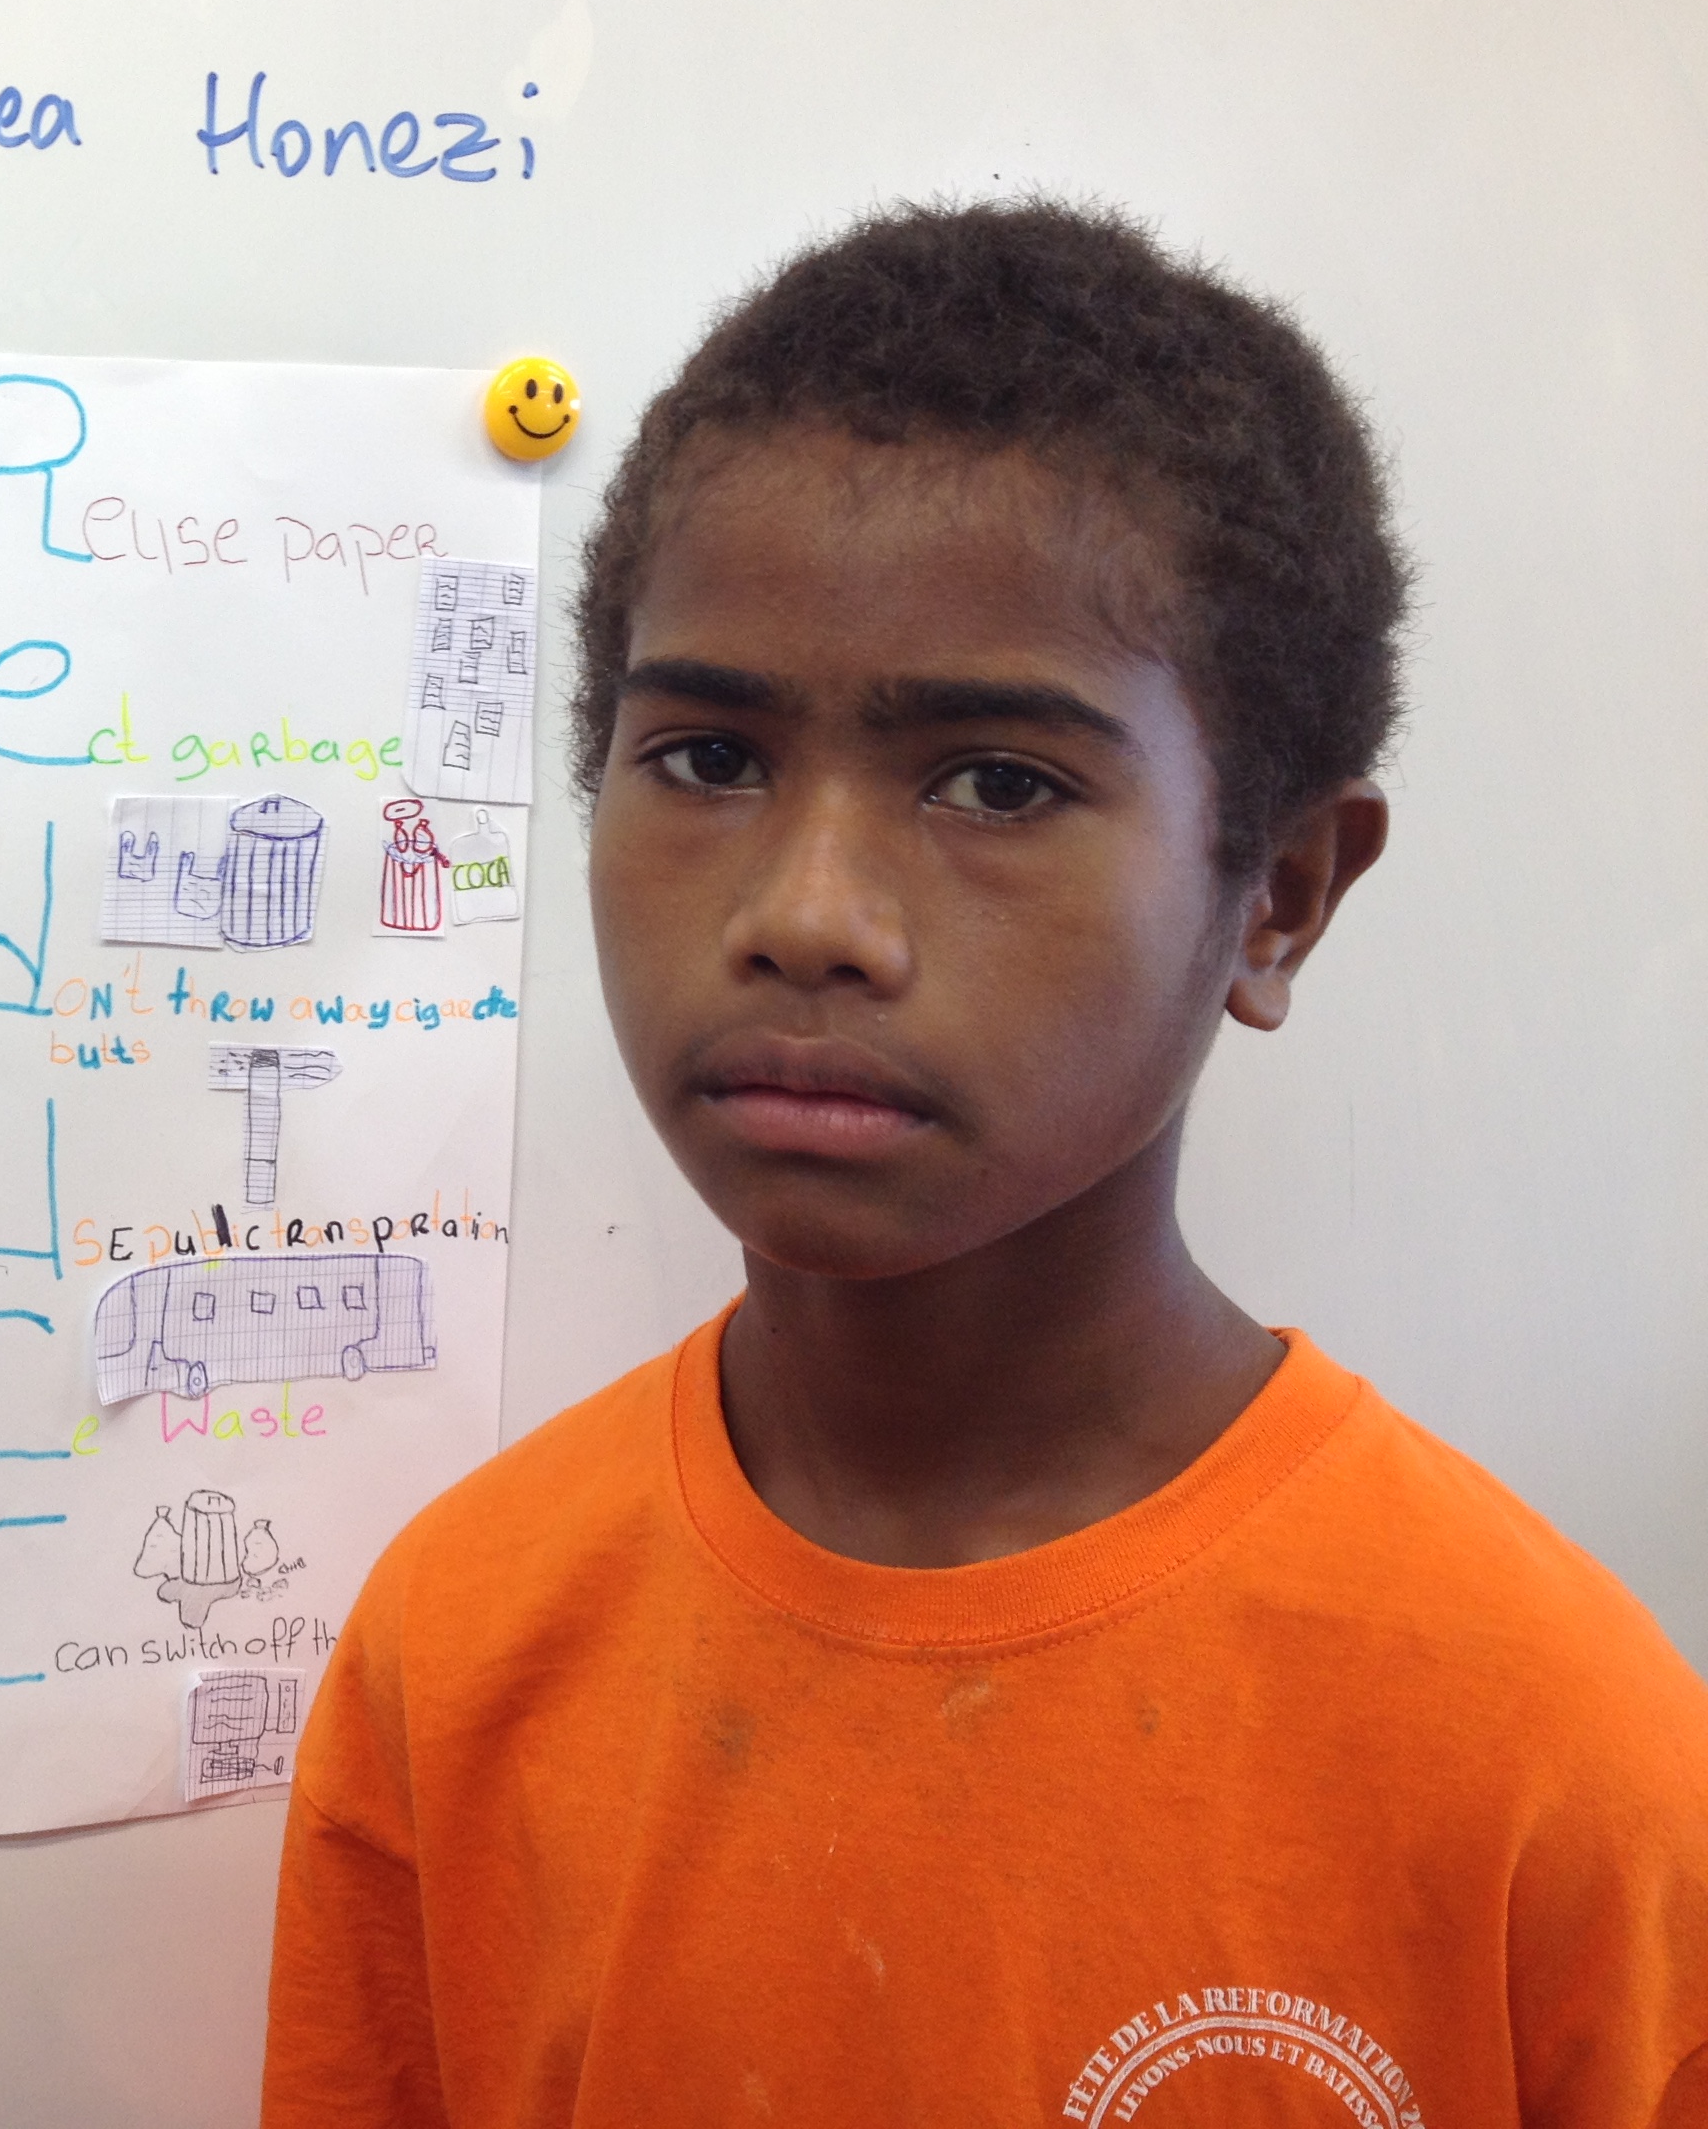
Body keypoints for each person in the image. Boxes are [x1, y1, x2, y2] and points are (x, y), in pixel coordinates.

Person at [263, 202, 1708, 2125]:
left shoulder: (1554, 1754)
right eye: (704, 756)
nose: (804, 913)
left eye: (997, 783)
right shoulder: (458, 1649)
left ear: (1276, 893)